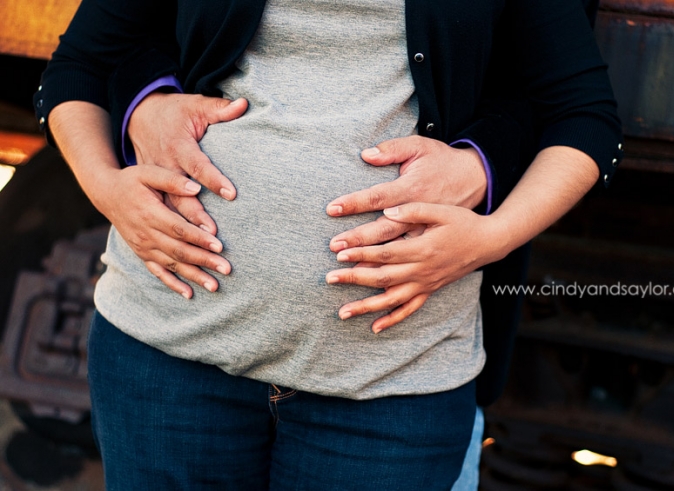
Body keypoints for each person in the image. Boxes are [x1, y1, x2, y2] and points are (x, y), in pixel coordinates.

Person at [34, 0, 623, 488]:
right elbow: (80, 66)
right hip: (167, 357)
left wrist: (491, 238)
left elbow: (583, 117)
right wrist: (108, 189)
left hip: (392, 381)